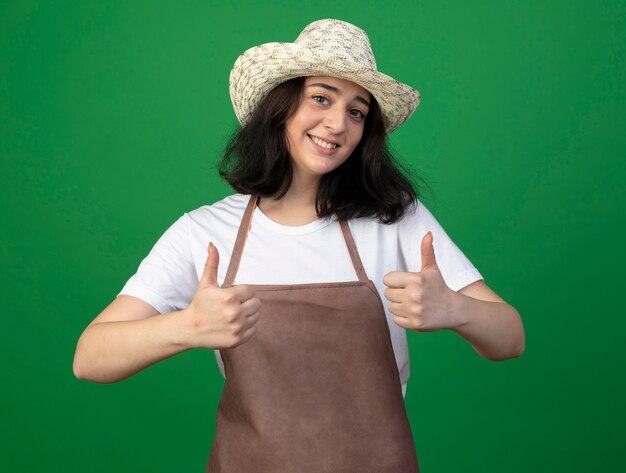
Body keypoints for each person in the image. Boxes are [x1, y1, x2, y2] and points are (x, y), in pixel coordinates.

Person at [73, 19, 525, 472]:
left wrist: (456, 309)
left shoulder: (394, 219)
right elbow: (90, 357)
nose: (337, 123)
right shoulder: (205, 231)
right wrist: (187, 327)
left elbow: (511, 338)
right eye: (321, 98)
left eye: (357, 111)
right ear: (282, 106)